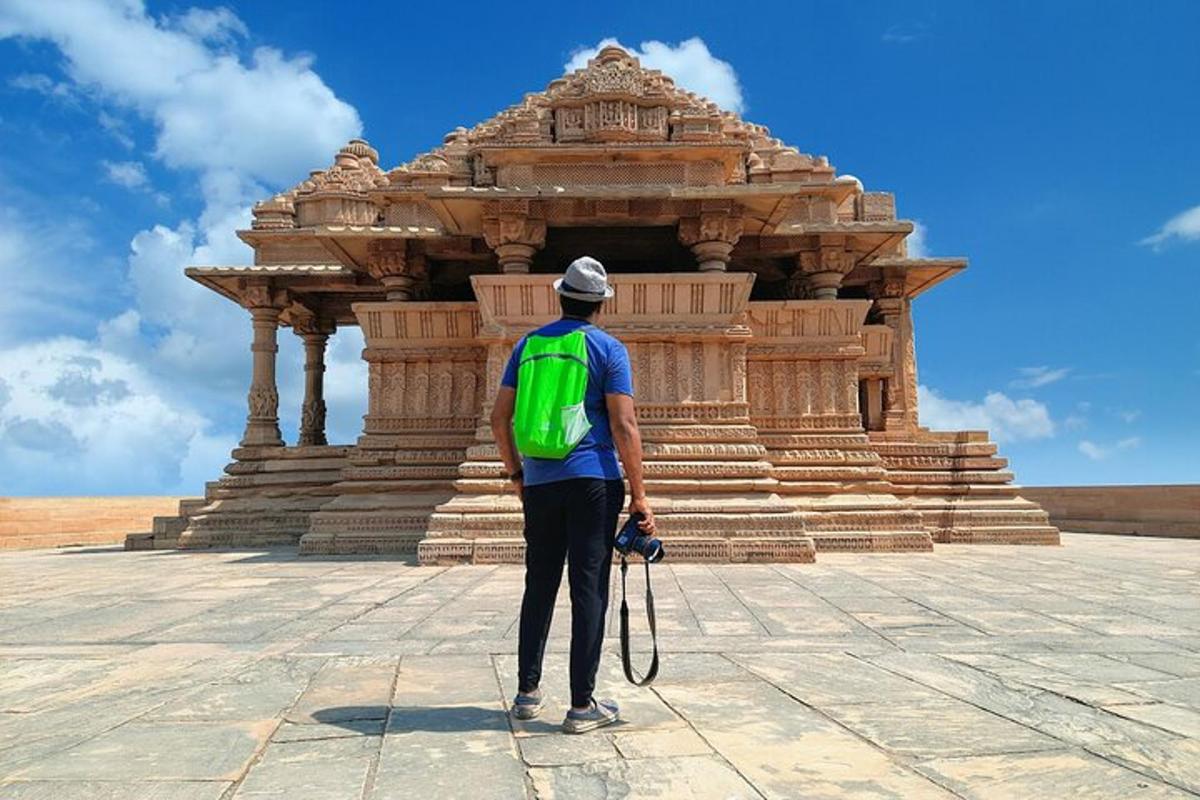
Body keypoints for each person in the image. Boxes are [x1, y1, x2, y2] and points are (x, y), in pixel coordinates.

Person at [490, 255, 656, 734]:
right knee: (589, 589)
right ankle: (582, 706)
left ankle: (526, 693)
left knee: (539, 583)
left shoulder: (527, 346)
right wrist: (640, 496)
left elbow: (500, 417)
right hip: (593, 482)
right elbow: (624, 424)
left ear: (559, 296)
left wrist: (517, 475)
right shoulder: (608, 349)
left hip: (540, 483)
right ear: (599, 305)